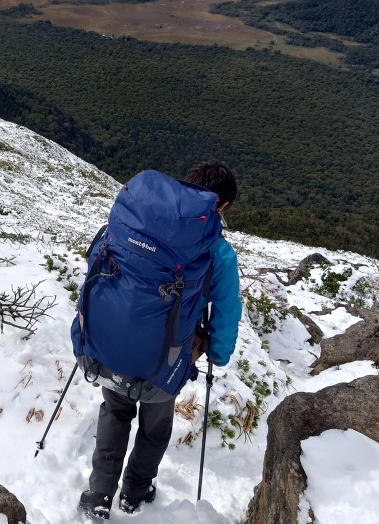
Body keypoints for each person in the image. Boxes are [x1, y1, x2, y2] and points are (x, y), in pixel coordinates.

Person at [78, 160, 242, 520]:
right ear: (223, 205)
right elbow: (227, 312)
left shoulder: (132, 218)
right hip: (167, 357)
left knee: (116, 411)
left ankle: (99, 494)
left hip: (113, 343)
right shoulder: (218, 252)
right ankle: (135, 494)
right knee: (155, 427)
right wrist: (217, 353)